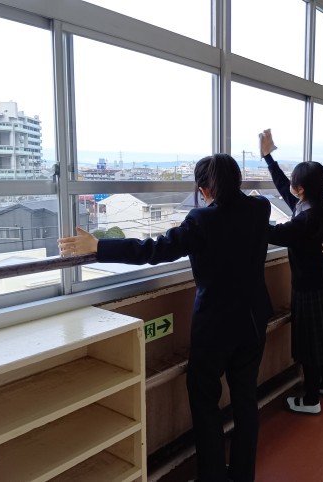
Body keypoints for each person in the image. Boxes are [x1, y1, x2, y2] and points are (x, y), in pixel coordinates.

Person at [59, 154, 273, 482]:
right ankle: (243, 474)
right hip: (254, 319)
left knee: (205, 401)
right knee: (245, 398)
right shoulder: (260, 209)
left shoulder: (201, 220)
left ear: (204, 189)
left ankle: (213, 477)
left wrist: (99, 247)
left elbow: (154, 250)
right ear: (238, 181)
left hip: (215, 327)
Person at [259, 128, 323, 415]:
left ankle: (311, 400)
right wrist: (268, 157)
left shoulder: (305, 219)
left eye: (295, 181)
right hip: (319, 280)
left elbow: (274, 234)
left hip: (307, 286)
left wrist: (244, 218)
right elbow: (283, 188)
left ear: (302, 188)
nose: (290, 184)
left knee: (309, 343)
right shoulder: (315, 205)